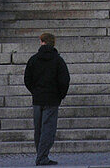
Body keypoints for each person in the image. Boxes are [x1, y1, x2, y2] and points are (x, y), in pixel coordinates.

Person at [23, 31, 70, 167]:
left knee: (38, 129)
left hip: (38, 99)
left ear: (42, 42)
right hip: (52, 99)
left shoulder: (34, 59)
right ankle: (42, 157)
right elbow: (64, 80)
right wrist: (60, 95)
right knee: (48, 129)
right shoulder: (58, 60)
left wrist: (35, 91)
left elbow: (27, 79)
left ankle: (41, 154)